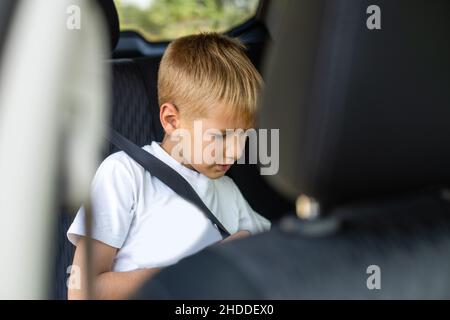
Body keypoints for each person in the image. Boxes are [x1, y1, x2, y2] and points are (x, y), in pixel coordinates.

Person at [67, 33, 271, 300]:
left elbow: (272, 252)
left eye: (244, 136)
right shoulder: (124, 175)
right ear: (171, 121)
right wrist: (198, 269)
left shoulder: (227, 191)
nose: (236, 152)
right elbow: (83, 293)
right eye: (221, 136)